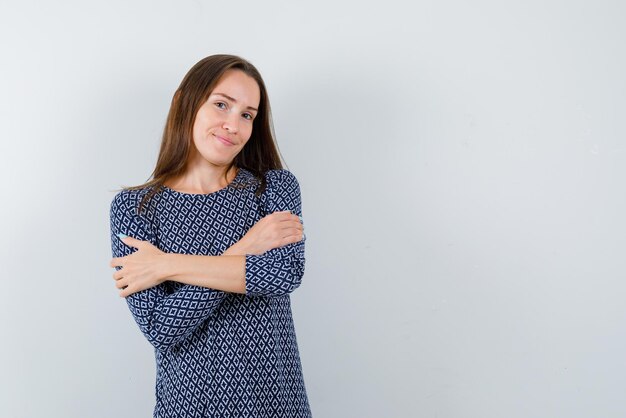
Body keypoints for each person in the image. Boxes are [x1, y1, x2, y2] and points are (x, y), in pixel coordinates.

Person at [108, 54, 312, 418]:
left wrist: (166, 265)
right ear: (183, 102)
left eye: (247, 114)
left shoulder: (274, 188)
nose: (233, 125)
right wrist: (247, 248)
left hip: (277, 405)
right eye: (222, 105)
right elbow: (162, 328)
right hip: (189, 408)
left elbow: (283, 275)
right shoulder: (134, 208)